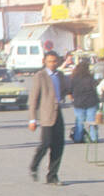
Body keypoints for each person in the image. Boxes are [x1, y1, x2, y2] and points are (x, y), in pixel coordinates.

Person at [27, 51, 66, 185]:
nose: (53, 64)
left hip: (58, 113)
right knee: (45, 144)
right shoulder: (40, 76)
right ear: (44, 61)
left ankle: (52, 176)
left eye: (55, 61)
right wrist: (32, 119)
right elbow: (33, 99)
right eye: (50, 61)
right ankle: (34, 165)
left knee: (58, 146)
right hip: (46, 115)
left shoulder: (60, 75)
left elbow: (64, 90)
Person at [67, 58, 99, 144]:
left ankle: (78, 138)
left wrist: (73, 99)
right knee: (92, 121)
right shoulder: (91, 78)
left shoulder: (73, 78)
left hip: (78, 103)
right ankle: (94, 138)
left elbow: (69, 91)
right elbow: (96, 88)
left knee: (79, 122)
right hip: (91, 102)